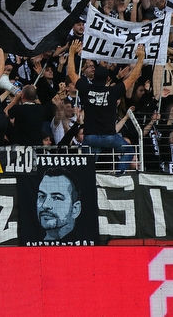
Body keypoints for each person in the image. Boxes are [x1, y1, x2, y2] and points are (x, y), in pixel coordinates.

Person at [68, 40, 144, 173]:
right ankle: (118, 174)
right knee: (129, 151)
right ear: (107, 78)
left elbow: (71, 74)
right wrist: (141, 57)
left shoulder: (86, 88)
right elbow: (133, 77)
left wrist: (71, 53)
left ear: (93, 76)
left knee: (87, 165)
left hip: (90, 137)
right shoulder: (113, 92)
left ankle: (85, 181)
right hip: (109, 137)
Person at [37, 168, 82, 241]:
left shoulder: (85, 246)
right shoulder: (32, 245)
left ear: (75, 209)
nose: (45, 205)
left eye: (56, 198)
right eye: (42, 196)